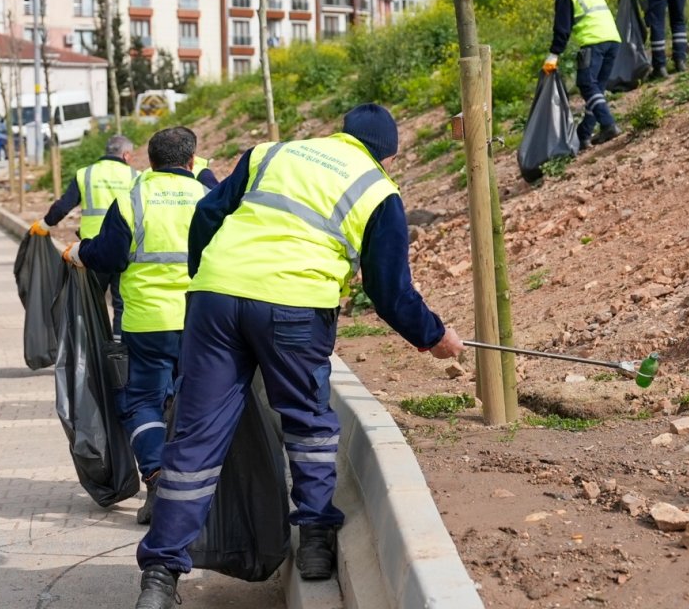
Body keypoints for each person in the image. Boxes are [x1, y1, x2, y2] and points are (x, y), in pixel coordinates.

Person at [132, 104, 464, 609]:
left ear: (341, 134)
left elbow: (206, 213)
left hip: (214, 302)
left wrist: (207, 280)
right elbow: (389, 290)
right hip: (295, 310)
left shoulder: (270, 154)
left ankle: (159, 575)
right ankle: (313, 541)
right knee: (308, 424)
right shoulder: (378, 191)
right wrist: (434, 336)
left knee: (195, 437)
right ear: (388, 156)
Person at [62, 127, 208, 526]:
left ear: (148, 161)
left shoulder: (133, 198)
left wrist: (78, 252)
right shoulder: (207, 197)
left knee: (142, 401)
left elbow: (107, 255)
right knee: (194, 400)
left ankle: (158, 477)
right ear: (192, 161)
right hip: (200, 321)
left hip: (145, 323)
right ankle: (197, 489)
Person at [30, 136, 143, 336]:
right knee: (121, 302)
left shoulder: (86, 174)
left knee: (90, 302)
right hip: (125, 249)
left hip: (93, 251)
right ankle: (118, 352)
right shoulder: (136, 176)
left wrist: (45, 224)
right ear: (126, 155)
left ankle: (92, 348)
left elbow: (64, 205)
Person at [542, 0, 624, 150]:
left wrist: (554, 54)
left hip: (593, 42)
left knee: (586, 84)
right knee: (597, 89)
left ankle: (608, 124)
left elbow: (562, 27)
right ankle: (584, 135)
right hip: (613, 39)